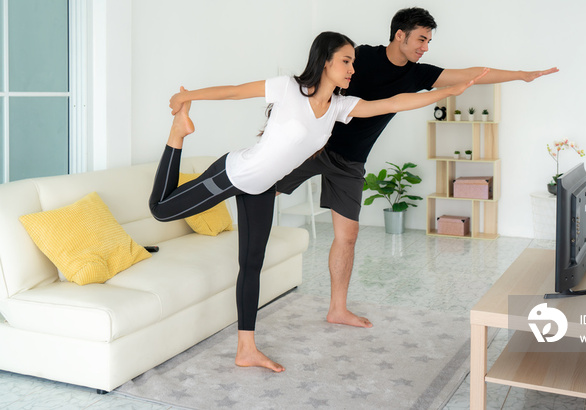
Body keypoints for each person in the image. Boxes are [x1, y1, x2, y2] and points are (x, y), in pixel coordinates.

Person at [149, 31, 488, 372]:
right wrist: (187, 97)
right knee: (161, 210)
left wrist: (446, 91)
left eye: (353, 62)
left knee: (251, 266)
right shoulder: (288, 88)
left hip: (262, 189)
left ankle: (246, 349)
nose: (352, 68)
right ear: (325, 61)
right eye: (345, 60)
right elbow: (235, 91)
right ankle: (177, 134)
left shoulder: (339, 107)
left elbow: (393, 103)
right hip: (235, 173)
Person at [276, 8, 559, 329]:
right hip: (313, 146)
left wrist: (521, 75)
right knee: (261, 186)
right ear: (400, 35)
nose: (425, 47)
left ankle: (337, 309)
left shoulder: (418, 74)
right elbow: (314, 79)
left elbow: (472, 73)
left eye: (429, 41)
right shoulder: (361, 57)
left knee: (348, 236)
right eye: (421, 39)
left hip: (350, 161)